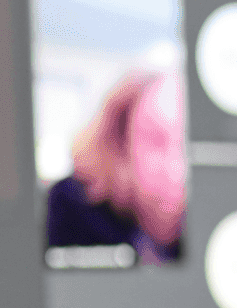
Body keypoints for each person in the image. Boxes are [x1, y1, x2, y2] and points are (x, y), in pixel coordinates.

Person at [44, 69, 187, 264]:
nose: (175, 167)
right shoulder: (74, 207)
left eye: (183, 145)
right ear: (121, 146)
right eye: (156, 142)